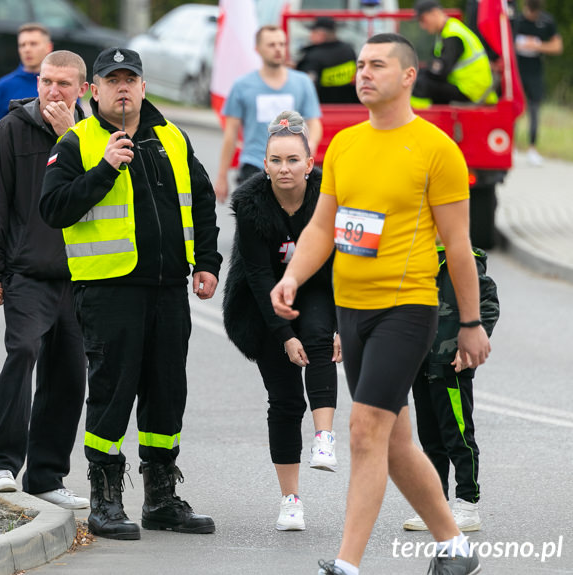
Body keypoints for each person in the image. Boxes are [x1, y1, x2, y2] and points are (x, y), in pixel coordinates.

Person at [269, 33, 491, 575]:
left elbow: (459, 248)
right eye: (361, 64)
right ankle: (455, 546)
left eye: (377, 65)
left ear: (409, 75)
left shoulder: (437, 148)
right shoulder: (344, 143)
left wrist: (470, 323)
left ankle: (348, 562)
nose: (363, 73)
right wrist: (294, 275)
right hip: (354, 310)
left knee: (365, 429)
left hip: (407, 307)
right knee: (394, 442)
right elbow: (323, 224)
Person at [40, 47, 222, 541]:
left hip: (167, 289)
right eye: (111, 80)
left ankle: (161, 497)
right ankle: (105, 498)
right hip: (108, 290)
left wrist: (207, 261)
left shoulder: (172, 137)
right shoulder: (77, 142)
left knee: (166, 393)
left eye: (130, 79)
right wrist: (104, 169)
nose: (122, 87)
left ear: (143, 87)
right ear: (93, 90)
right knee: (112, 394)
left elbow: (202, 199)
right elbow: (54, 208)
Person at [0, 50, 90, 509]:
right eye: (46, 82)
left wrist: (71, 137)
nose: (52, 91)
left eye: (63, 84)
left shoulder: (95, 134)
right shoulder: (11, 130)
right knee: (22, 353)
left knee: (68, 375)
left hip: (82, 276)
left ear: (83, 89)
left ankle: (46, 476)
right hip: (28, 273)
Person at [222, 110, 341, 533]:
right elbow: (257, 277)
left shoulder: (329, 197)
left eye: (293, 160)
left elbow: (341, 266)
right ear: (265, 163)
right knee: (286, 401)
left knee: (318, 336)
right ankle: (291, 500)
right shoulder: (251, 203)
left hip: (318, 291)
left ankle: (325, 437)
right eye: (276, 160)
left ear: (310, 164)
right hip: (262, 307)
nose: (284, 168)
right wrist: (283, 337)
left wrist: (341, 325)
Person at [403, 245, 499, 534]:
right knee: (430, 440)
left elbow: (488, 304)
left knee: (458, 437)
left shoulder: (464, 259)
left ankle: (467, 504)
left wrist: (470, 344)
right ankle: (436, 505)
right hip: (419, 365)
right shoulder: (412, 254)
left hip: (451, 366)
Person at [215, 25, 322, 203]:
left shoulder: (302, 83)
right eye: (271, 45)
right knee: (253, 224)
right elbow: (230, 133)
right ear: (258, 49)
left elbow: (314, 122)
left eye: (282, 44)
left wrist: (311, 144)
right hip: (255, 164)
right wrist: (221, 176)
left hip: (292, 167)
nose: (278, 49)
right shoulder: (242, 85)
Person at [411, 0, 498, 107]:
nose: (422, 26)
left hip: (471, 90)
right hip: (468, 86)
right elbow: (435, 67)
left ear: (434, 13)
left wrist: (425, 72)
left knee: (419, 85)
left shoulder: (453, 35)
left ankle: (420, 118)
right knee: (420, 78)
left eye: (423, 20)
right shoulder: (448, 31)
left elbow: (440, 72)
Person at [0, 23, 53, 152]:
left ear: (48, 47)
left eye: (33, 44)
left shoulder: (62, 84)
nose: (27, 49)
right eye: (22, 45)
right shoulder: (4, 86)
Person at [513, 0, 563, 166]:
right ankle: (511, 146)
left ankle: (532, 148)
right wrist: (518, 45)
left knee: (534, 109)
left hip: (535, 71)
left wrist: (537, 45)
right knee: (514, 108)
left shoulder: (546, 21)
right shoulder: (517, 21)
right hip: (517, 70)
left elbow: (557, 46)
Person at [296, 17, 360, 104]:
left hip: (323, 109)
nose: (310, 35)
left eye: (313, 32)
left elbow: (306, 87)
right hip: (350, 108)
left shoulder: (313, 56)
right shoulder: (349, 51)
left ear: (321, 35)